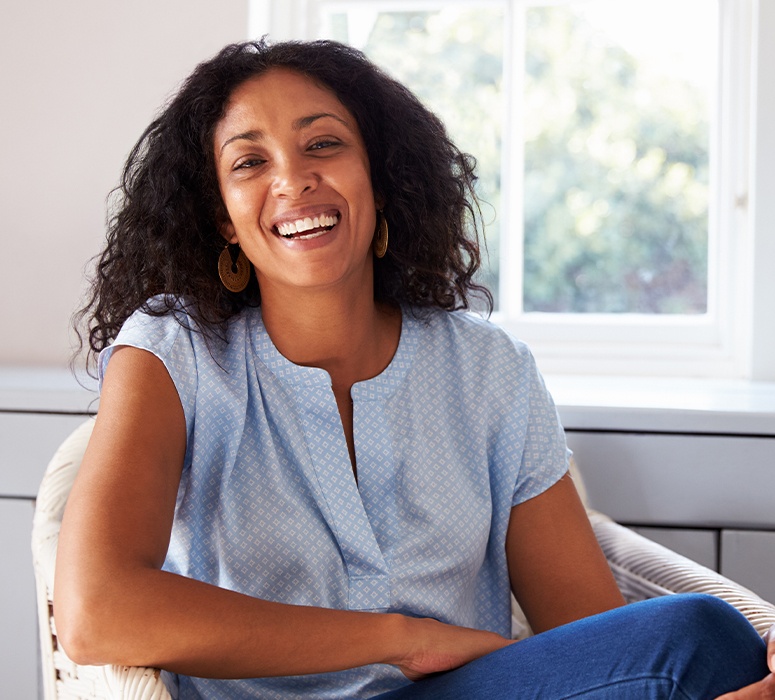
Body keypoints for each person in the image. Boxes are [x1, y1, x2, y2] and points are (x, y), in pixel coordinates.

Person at [55, 38, 773, 699]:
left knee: (702, 639)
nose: (294, 179)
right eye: (250, 161)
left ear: (379, 176)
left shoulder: (487, 369)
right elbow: (95, 611)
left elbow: (588, 632)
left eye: (323, 144)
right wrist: (402, 638)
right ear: (221, 218)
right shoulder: (172, 351)